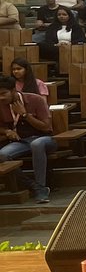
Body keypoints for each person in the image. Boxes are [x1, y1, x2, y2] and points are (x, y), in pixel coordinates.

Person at [0, 75, 55, 203]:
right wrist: (7, 131)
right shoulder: (1, 104)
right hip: (21, 141)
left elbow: (46, 127)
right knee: (2, 154)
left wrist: (25, 114)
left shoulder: (35, 99)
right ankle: (34, 186)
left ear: (13, 90)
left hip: (43, 138)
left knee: (36, 144)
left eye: (3, 94)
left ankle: (41, 186)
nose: (1, 98)